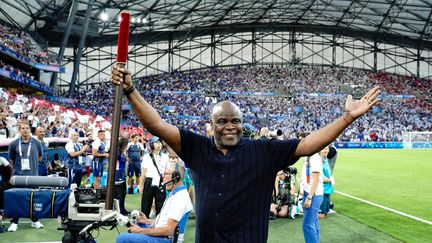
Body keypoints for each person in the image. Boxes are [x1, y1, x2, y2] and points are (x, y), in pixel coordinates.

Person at [111, 64, 381, 242]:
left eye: (235, 121)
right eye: (223, 121)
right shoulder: (197, 148)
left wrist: (347, 119)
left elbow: (307, 145)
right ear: (212, 125)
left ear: (242, 123)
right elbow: (155, 124)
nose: (230, 126)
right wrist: (130, 90)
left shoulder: (263, 151)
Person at [116, 162, 193, 243]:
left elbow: (168, 230)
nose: (163, 177)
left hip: (165, 239)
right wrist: (147, 221)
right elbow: (163, 222)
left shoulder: (179, 198)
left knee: (122, 238)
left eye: (166, 174)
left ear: (176, 177)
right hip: (163, 236)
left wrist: (140, 230)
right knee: (136, 225)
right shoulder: (174, 193)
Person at [7, 123, 44, 232]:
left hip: (33, 176)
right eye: (22, 128)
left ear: (30, 130)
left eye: (27, 128)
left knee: (34, 198)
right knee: (17, 199)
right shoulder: (13, 144)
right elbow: (11, 160)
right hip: (18, 176)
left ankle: (35, 221)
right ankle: (14, 222)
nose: (25, 130)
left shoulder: (37, 143)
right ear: (19, 130)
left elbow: (40, 158)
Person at [300, 147, 326, 243]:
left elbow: (315, 179)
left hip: (313, 194)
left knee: (308, 225)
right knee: (313, 223)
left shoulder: (314, 157)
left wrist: (309, 197)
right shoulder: (308, 156)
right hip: (309, 192)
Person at [140, 136, 169, 218]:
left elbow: (167, 171)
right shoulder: (147, 156)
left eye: (160, 142)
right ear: (152, 144)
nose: (159, 144)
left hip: (161, 181)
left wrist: (166, 183)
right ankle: (143, 223)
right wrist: (141, 185)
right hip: (149, 180)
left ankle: (160, 223)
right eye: (156, 142)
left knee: (161, 204)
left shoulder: (165, 156)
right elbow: (143, 172)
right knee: (146, 204)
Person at [319, 147, 335, 219]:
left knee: (326, 211)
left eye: (326, 149)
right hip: (322, 189)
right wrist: (331, 180)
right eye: (324, 149)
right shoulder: (319, 161)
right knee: (322, 214)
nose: (325, 150)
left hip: (327, 189)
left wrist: (331, 178)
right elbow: (322, 178)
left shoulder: (326, 160)